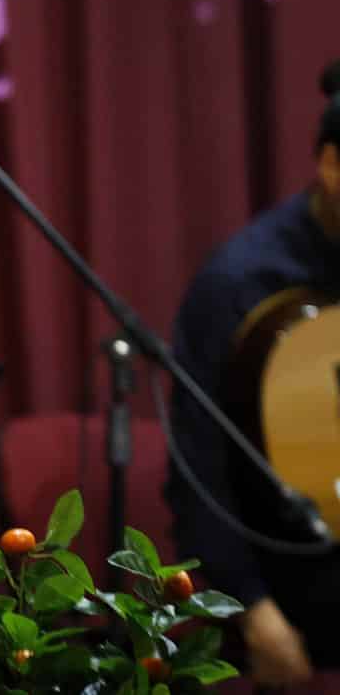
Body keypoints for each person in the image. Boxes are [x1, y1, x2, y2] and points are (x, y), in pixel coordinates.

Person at [168, 60, 340, 689]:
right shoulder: (240, 284)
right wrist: (252, 609)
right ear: (331, 166)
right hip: (287, 574)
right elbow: (197, 470)